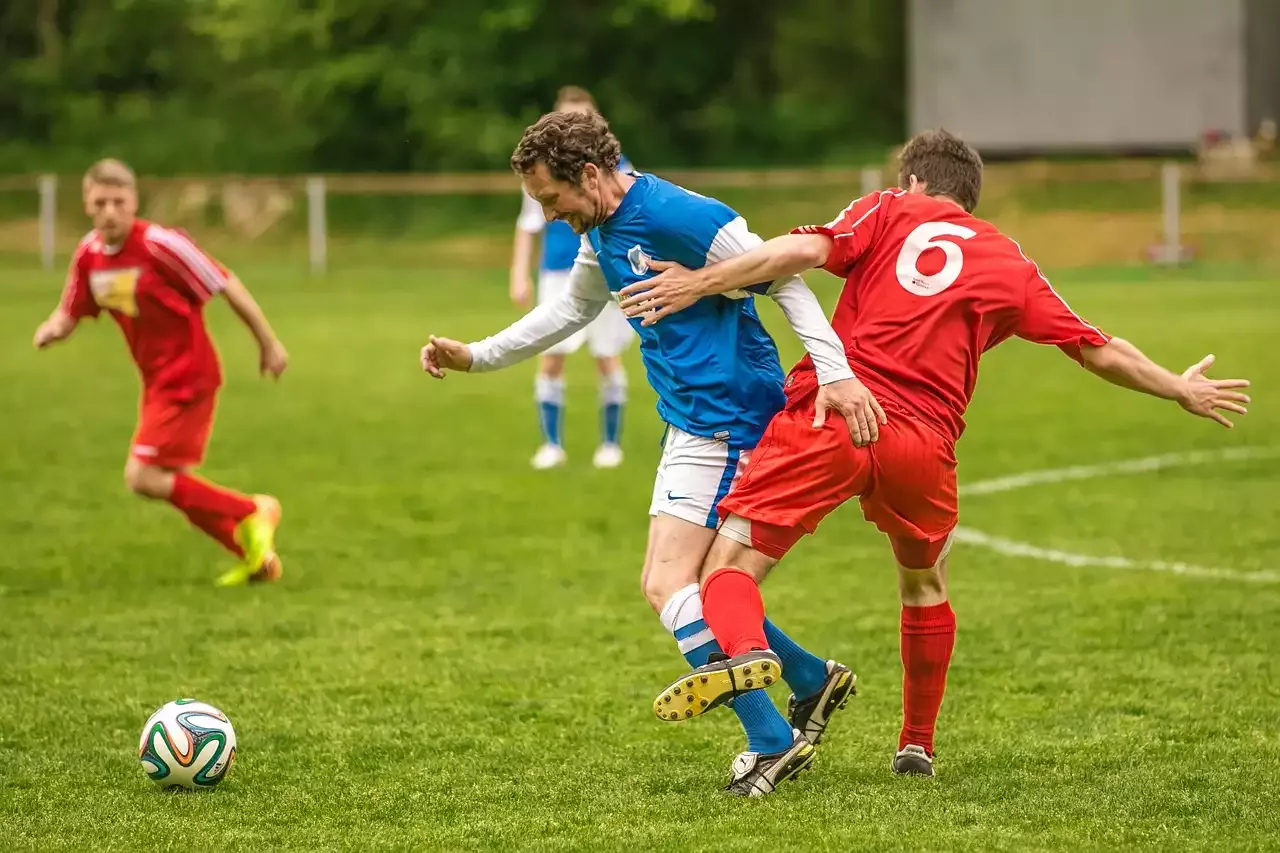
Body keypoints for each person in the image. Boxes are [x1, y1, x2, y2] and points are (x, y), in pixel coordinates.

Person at [618, 128, 1251, 778]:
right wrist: (1178, 387)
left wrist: (702, 281)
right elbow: (1096, 347)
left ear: (913, 181)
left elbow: (800, 250)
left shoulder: (886, 208)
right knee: (924, 583)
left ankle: (747, 653)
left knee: (729, 567)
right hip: (923, 446)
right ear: (968, 198)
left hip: (837, 412)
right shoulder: (1009, 260)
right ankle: (916, 743)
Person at [422, 110, 872, 796]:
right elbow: (570, 310)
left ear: (592, 175)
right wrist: (476, 356)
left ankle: (769, 737)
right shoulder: (600, 228)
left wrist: (834, 372)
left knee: (669, 583)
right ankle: (810, 679)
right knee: (684, 585)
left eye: (553, 198)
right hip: (690, 419)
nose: (549, 215)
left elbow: (785, 279)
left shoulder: (683, 215)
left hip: (726, 416)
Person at [33, 159, 289, 587]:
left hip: (189, 375)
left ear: (134, 201)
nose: (111, 210)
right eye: (101, 202)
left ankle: (252, 510)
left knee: (144, 477)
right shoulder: (89, 254)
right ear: (87, 205)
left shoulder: (159, 244)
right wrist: (53, 329)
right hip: (154, 382)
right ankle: (255, 557)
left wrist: (268, 342)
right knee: (168, 481)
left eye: (119, 201)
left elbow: (226, 283)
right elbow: (71, 310)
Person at [510, 86, 636, 470]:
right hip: (557, 271)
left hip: (606, 272)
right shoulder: (539, 172)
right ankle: (552, 444)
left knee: (606, 355)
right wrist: (519, 272)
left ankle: (610, 444)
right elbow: (528, 225)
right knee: (551, 356)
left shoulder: (620, 169)